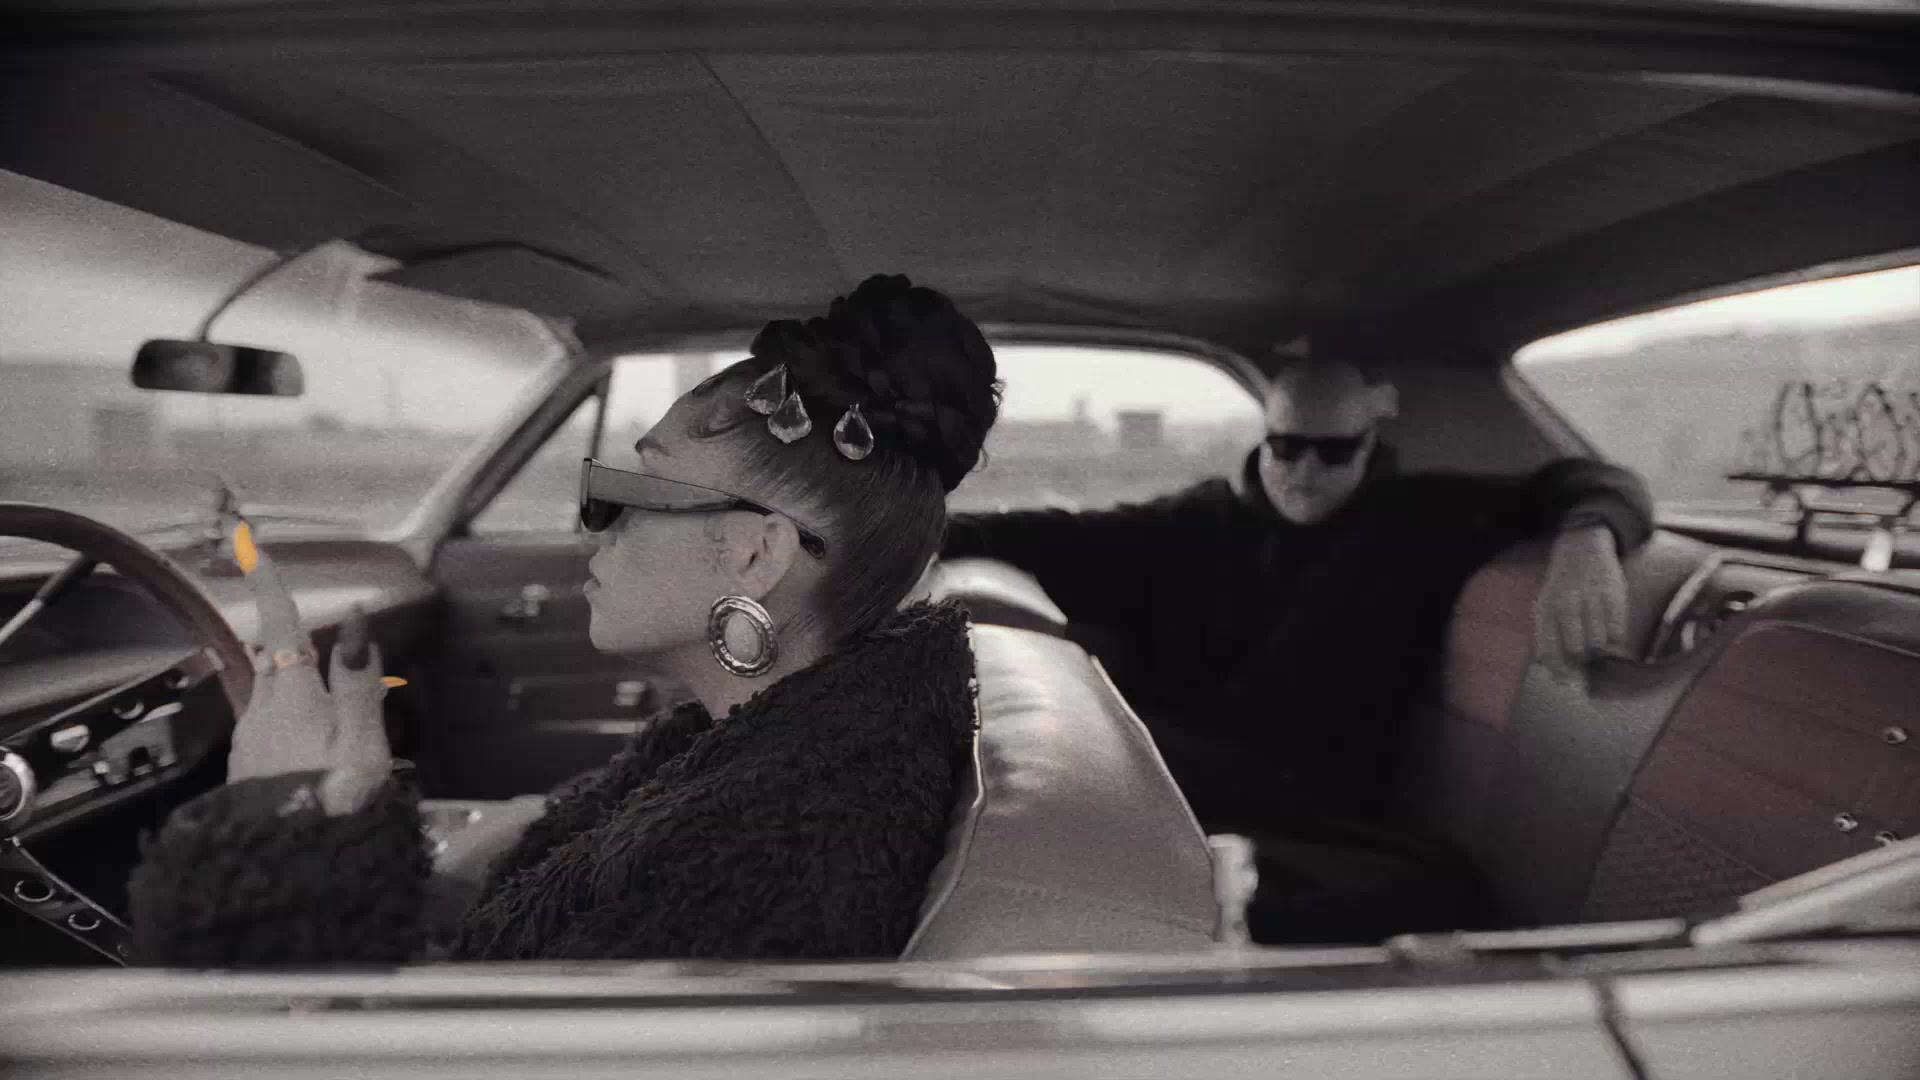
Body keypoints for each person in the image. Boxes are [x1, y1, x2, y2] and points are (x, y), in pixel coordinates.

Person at [129, 274, 1003, 966]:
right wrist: (365, 829)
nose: (594, 524)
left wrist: (276, 830)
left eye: (637, 488)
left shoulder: (779, 847)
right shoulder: (745, 754)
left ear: (754, 553)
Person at [940, 354, 1653, 943]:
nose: (1305, 469)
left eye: (1333, 451)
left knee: (1442, 891)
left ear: (1369, 446)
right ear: (1265, 437)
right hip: (1175, 781)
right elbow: (1034, 534)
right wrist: (899, 534)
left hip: (1315, 814)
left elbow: (1592, 481)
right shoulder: (1189, 523)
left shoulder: (1423, 519)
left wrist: (1588, 541)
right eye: (1287, 446)